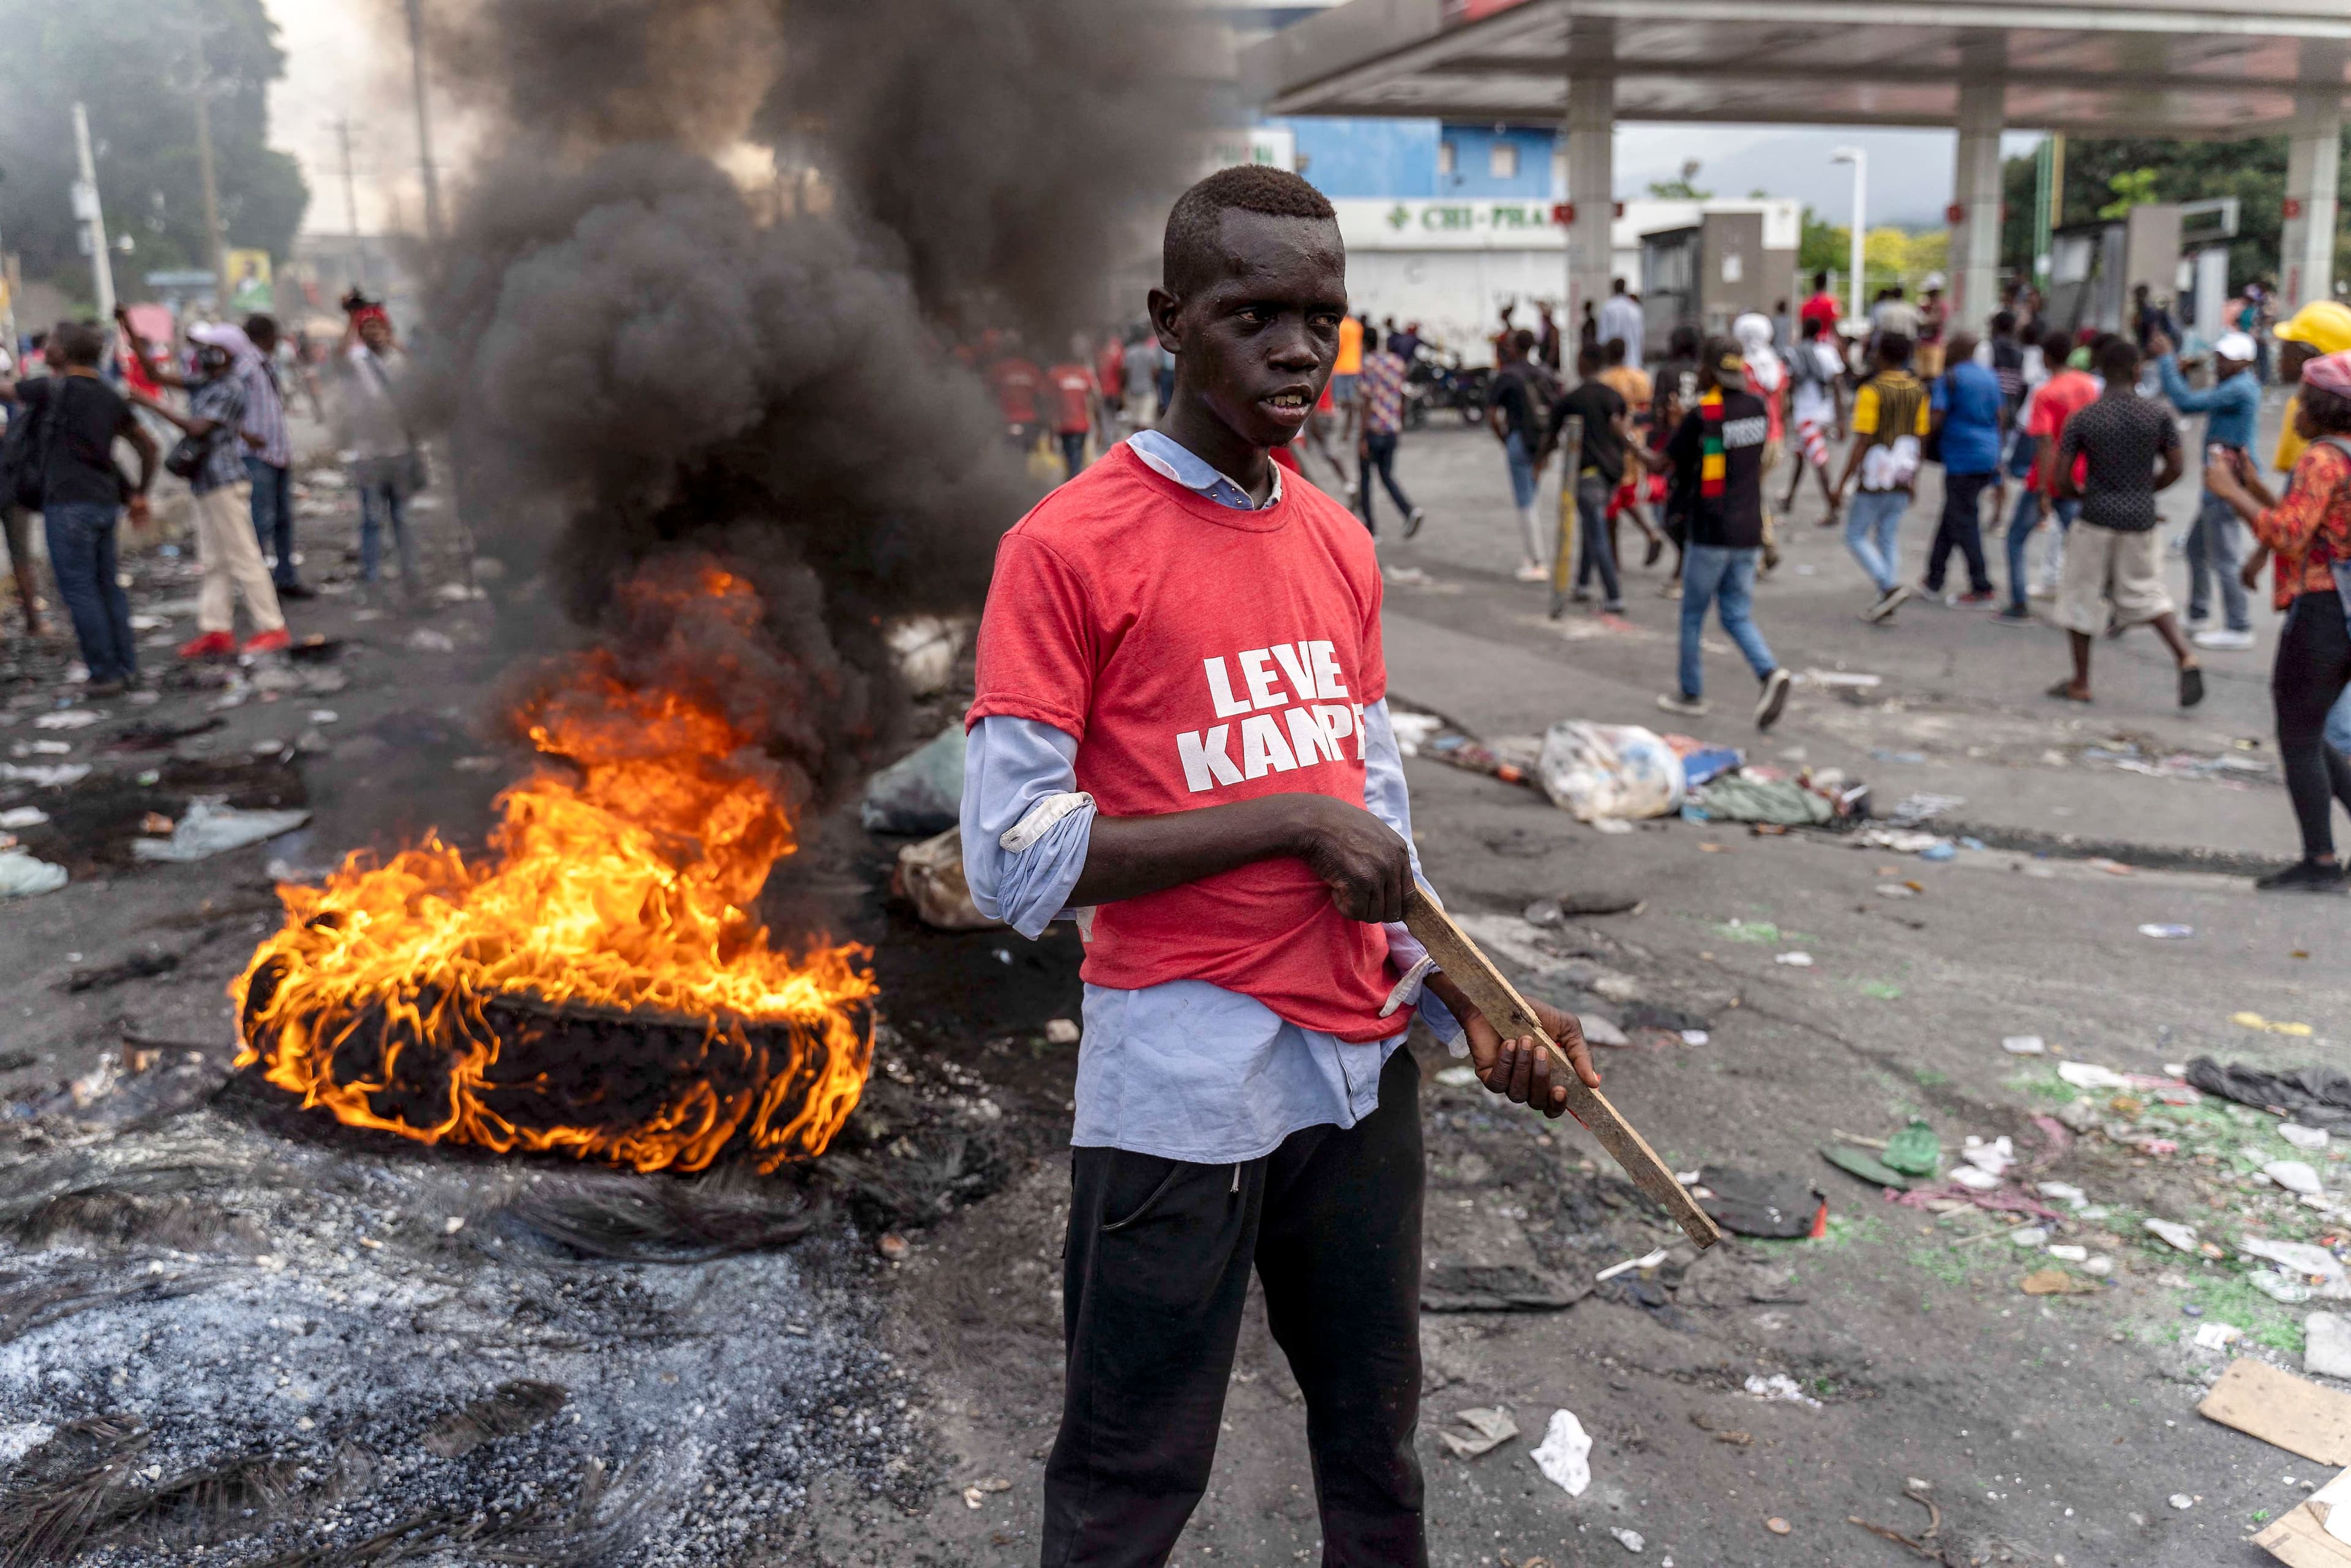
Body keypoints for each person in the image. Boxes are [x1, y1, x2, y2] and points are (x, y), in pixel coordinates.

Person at [958, 163, 1600, 1567]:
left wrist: (1470, 1004)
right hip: (1180, 1082)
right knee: (1131, 1472)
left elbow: (1379, 829)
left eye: (1324, 315)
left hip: (1357, 1079)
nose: (1299, 347)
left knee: (1376, 1442)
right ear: (1168, 320)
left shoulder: (1336, 542)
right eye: (1254, 313)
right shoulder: (1065, 547)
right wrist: (1282, 822)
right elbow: (1011, 866)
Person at [2202, 351, 2351, 891]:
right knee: (2312, 731)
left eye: (2302, 403)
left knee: (2299, 734)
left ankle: (2320, 862)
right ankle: (2323, 859)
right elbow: (2306, 520)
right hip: (2342, 610)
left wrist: (2230, 491)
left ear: (2323, 407)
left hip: (2322, 611)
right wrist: (2254, 487)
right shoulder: (2343, 457)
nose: (2293, 414)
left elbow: (2288, 535)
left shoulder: (2321, 458)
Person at [2045, 335, 2199, 708]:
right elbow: (2177, 466)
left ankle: (2081, 681)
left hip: (2095, 515)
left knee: (2081, 597)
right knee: (2147, 592)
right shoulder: (2158, 414)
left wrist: (2080, 494)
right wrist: (2147, 490)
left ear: (2101, 371)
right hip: (2140, 516)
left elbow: (2061, 477)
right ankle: (2185, 655)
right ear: (2137, 370)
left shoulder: (2085, 418)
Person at [3, 321, 156, 691]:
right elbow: (148, 446)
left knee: (80, 591)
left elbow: (4, 390)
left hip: (67, 505)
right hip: (105, 502)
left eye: (51, 343)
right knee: (107, 587)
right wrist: (139, 494)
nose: (46, 348)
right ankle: (126, 668)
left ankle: (104, 674)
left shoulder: (49, 389)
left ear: (61, 353)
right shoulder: (108, 395)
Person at [1654, 339, 1791, 729]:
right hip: (1749, 530)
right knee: (1735, 614)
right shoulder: (1756, 408)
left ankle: (1691, 693)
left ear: (1710, 372)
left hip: (1712, 530)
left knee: (1693, 615)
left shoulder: (1705, 415)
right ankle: (1769, 672)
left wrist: (1626, 439)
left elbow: (1663, 461)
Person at [131, 329, 289, 658]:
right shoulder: (206, 382)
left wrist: (151, 404)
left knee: (245, 558)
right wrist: (130, 329)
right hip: (206, 483)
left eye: (211, 347)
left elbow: (197, 428)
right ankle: (216, 629)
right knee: (214, 561)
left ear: (228, 352)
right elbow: (154, 374)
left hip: (225, 483)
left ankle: (272, 627)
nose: (202, 353)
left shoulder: (230, 388)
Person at [2150, 328, 2260, 650]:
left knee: (2224, 556)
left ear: (2244, 363)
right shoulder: (2237, 384)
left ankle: (2238, 625)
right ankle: (2198, 613)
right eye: (2220, 358)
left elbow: (2185, 403)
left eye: (2226, 360)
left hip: (2229, 482)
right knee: (2197, 549)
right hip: (2221, 480)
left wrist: (2167, 363)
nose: (2220, 364)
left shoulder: (2238, 388)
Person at [1994, 321, 2087, 622]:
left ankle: (2019, 603)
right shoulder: (2087, 386)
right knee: (2084, 543)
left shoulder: (2045, 393)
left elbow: (2046, 444)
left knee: (2016, 539)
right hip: (2078, 477)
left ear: (2046, 357)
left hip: (2047, 480)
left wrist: (2045, 491)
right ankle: (2102, 601)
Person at [1835, 331, 1929, 621]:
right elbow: (1921, 436)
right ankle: (1886, 594)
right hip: (1903, 469)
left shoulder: (1872, 391)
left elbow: (1862, 440)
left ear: (1883, 355)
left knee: (1855, 534)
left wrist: (1842, 481)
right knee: (1888, 535)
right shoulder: (1918, 390)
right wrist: (1915, 477)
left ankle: (1887, 586)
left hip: (1876, 471)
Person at [1539, 342, 1637, 613]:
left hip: (1589, 474)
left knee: (1597, 532)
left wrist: (1539, 460)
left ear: (1584, 362)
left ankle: (1614, 595)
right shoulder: (1613, 396)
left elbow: (1550, 437)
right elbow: (1625, 429)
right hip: (1612, 474)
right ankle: (1582, 584)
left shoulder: (1571, 400)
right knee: (1592, 527)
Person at [336, 305, 426, 594]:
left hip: (399, 450)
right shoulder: (357, 360)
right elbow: (339, 358)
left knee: (403, 518)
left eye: (380, 328)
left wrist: (394, 342)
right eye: (368, 329)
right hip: (368, 454)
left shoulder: (400, 361)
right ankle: (371, 578)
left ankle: (411, 574)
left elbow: (423, 374)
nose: (374, 334)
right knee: (372, 519)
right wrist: (352, 318)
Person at [1922, 329, 2003, 602]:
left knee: (1964, 521)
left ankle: (1981, 584)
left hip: (1961, 458)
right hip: (1986, 454)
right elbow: (2000, 415)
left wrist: (1922, 445)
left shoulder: (1951, 378)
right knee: (1953, 516)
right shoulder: (1989, 377)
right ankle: (1934, 577)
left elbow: (1937, 416)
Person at [1488, 328, 1552, 582]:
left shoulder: (1507, 376)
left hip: (1518, 440)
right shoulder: (1543, 373)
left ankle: (1537, 560)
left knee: (1525, 502)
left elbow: (1492, 415)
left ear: (1515, 347)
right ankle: (1532, 555)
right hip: (1541, 443)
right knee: (1532, 497)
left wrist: (1505, 440)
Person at [1597, 337, 1662, 561]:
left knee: (1614, 498)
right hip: (1639, 441)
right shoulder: (1641, 377)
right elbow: (1650, 409)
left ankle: (1614, 557)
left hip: (1615, 444)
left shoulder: (1605, 381)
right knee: (1626, 494)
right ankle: (1647, 535)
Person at [1354, 324, 1422, 538]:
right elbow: (1400, 396)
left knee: (1366, 479)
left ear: (1365, 344)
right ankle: (1409, 510)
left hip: (1373, 430)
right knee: (1386, 475)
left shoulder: (1367, 364)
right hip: (1391, 429)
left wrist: (1362, 437)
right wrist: (1398, 423)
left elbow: (1367, 401)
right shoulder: (1397, 363)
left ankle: (1371, 529)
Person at [1779, 316, 1845, 526]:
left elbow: (1789, 386)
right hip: (1824, 413)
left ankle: (1832, 507)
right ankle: (1789, 498)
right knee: (1801, 456)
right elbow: (1837, 386)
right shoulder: (1828, 352)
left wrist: (1784, 413)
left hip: (1806, 416)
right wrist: (1841, 418)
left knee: (1819, 461)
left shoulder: (1795, 353)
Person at [1046, 342, 1100, 481]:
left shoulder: (1055, 374)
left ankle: (1072, 488)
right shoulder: (1085, 374)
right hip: (1082, 425)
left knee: (1071, 460)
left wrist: (1052, 430)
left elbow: (1051, 402)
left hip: (1066, 426)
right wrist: (1098, 425)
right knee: (1076, 459)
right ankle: (1073, 486)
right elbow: (1095, 398)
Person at [1597, 278, 1643, 369]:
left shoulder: (1607, 308)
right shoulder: (1634, 308)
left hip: (1612, 363)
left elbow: (1602, 337)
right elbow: (1640, 336)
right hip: (1632, 362)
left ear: (1614, 288)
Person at [1915, 277, 1949, 377]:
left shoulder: (1942, 306)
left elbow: (1936, 322)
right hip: (1922, 344)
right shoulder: (1924, 305)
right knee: (1921, 375)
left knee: (1933, 375)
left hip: (1935, 345)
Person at [1799, 271, 1842, 342]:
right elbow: (1833, 324)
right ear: (1825, 283)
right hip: (1826, 342)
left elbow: (1803, 325)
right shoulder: (1830, 303)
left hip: (1811, 342)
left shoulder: (1806, 304)